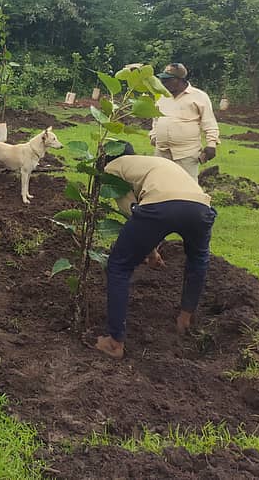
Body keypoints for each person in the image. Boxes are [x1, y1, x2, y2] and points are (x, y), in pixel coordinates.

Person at [95, 143, 217, 359]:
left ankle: (114, 342)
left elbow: (134, 213)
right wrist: (151, 252)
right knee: (198, 261)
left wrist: (148, 252)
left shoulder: (112, 168)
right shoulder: (150, 162)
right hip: (200, 207)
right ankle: (185, 319)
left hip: (160, 205)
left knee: (119, 265)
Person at [150, 62, 219, 180]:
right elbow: (156, 119)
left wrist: (211, 144)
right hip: (162, 151)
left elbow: (209, 122)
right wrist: (154, 135)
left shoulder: (199, 96)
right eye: (162, 79)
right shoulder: (162, 97)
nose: (163, 83)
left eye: (167, 80)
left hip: (186, 153)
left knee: (186, 186)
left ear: (179, 80)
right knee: (160, 184)